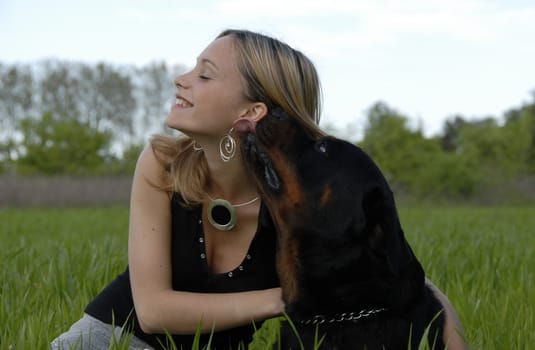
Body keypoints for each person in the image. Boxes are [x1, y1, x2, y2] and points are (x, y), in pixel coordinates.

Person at [51, 29, 468, 350]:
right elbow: (154, 312)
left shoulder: (294, 200)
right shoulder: (163, 164)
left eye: (204, 74)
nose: (180, 79)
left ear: (251, 112)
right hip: (109, 339)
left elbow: (401, 279)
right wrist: (285, 299)